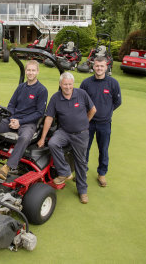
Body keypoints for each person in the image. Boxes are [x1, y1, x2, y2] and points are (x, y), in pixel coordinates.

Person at [37, 72, 96, 204]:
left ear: (73, 84)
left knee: (80, 162)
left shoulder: (81, 94)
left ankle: (82, 191)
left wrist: (85, 123)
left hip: (81, 134)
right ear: (60, 84)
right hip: (64, 132)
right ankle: (65, 172)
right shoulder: (55, 98)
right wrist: (42, 138)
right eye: (65, 84)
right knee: (52, 143)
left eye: (70, 84)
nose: (68, 87)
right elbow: (49, 118)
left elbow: (93, 110)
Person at [80, 56, 122, 187]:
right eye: (97, 66)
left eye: (102, 66)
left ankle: (102, 174)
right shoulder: (86, 83)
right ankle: (83, 172)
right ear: (93, 66)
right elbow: (81, 102)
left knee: (103, 149)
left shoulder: (113, 83)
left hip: (104, 124)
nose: (99, 68)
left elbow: (117, 101)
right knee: (84, 148)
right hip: (88, 123)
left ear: (106, 67)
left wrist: (107, 111)